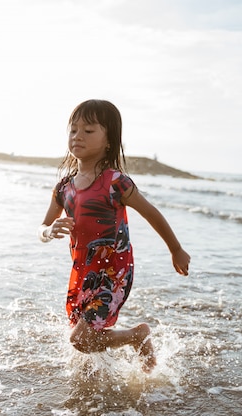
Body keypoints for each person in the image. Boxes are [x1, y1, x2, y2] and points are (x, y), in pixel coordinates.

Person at [38, 99, 190, 373]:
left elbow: (151, 212)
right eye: (73, 130)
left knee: (81, 339)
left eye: (89, 130)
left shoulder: (115, 182)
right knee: (85, 337)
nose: (78, 136)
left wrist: (175, 249)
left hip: (113, 271)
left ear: (109, 140)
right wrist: (49, 231)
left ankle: (137, 336)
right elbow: (42, 227)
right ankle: (102, 381)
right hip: (82, 271)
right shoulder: (64, 188)